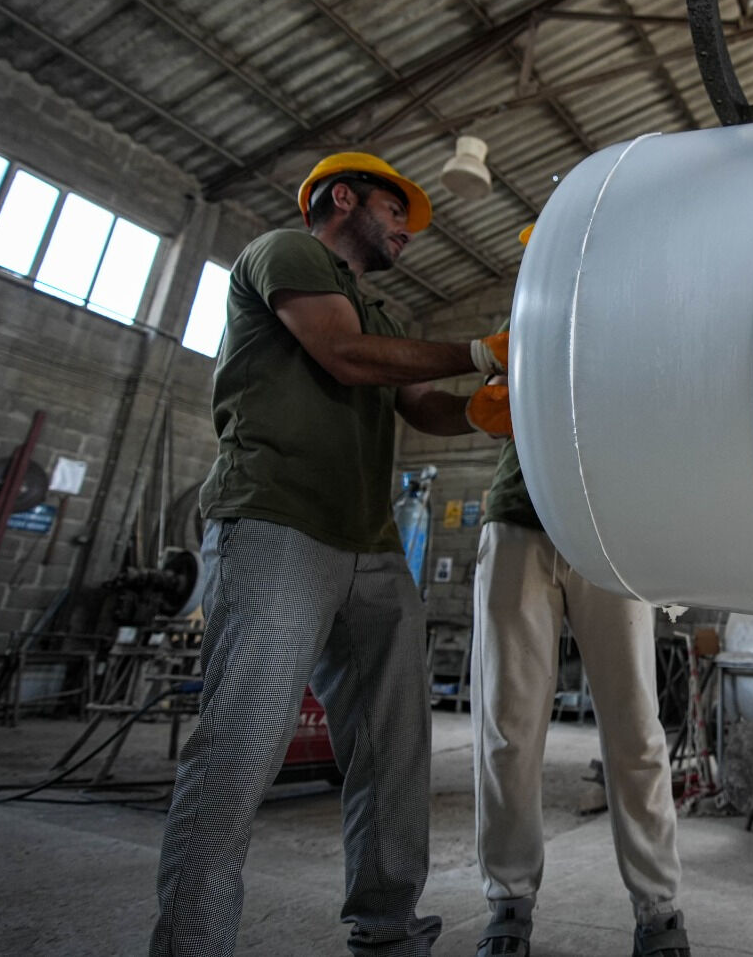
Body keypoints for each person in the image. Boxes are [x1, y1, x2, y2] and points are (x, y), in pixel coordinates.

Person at [151, 152, 507, 957]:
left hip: (370, 544)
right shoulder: (286, 252)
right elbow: (343, 355)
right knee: (241, 744)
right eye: (396, 212)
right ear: (343, 197)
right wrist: (482, 352)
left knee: (394, 747)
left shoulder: (386, 318)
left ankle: (388, 931)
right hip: (277, 522)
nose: (408, 232)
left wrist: (492, 409)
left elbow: (423, 405)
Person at [468, 226, 691, 957]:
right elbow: (493, 403)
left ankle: (659, 911)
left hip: (609, 532)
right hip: (519, 521)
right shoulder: (527, 315)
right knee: (508, 728)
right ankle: (508, 901)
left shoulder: (644, 318)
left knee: (636, 730)